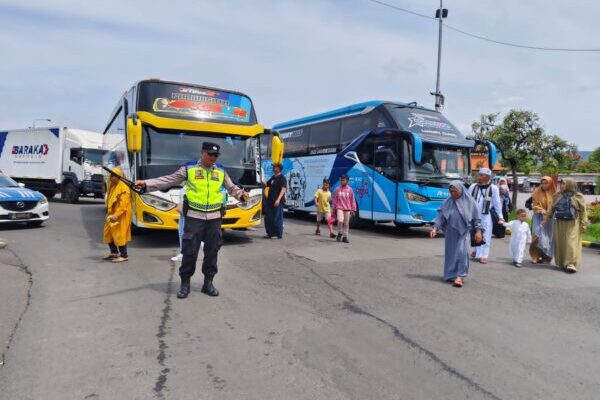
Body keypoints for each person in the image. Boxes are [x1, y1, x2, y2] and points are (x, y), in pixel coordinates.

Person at [135, 142, 249, 299]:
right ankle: (185, 284)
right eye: (210, 154)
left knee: (212, 252)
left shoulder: (221, 170)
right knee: (189, 252)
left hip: (214, 219)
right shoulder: (189, 169)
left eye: (216, 155)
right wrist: (147, 184)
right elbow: (169, 180)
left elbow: (231, 188)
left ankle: (208, 283)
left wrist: (240, 194)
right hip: (194, 218)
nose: (213, 158)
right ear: (202, 153)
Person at [429, 180, 483, 288]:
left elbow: (476, 218)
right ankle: (450, 275)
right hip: (451, 231)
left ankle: (460, 276)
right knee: (451, 253)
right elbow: (441, 216)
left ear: (461, 190)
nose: (453, 194)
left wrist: (478, 231)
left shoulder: (470, 201)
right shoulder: (447, 202)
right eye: (451, 191)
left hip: (464, 231)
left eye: (455, 191)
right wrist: (435, 228)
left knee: (462, 252)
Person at [546, 178, 588, 273]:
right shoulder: (557, 195)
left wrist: (584, 223)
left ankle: (571, 263)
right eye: (561, 184)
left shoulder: (578, 196)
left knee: (570, 243)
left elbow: (583, 211)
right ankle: (562, 263)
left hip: (573, 223)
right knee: (561, 242)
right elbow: (551, 208)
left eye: (564, 184)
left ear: (570, 185)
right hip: (559, 223)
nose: (561, 186)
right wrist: (547, 219)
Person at [468, 168, 504, 264]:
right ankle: (476, 250)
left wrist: (500, 216)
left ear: (487, 177)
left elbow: (497, 203)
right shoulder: (473, 186)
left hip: (486, 215)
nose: (479, 177)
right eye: (479, 175)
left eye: (481, 175)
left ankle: (484, 255)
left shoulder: (494, 188)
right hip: (474, 214)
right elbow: (467, 199)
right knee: (474, 232)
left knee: (486, 234)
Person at [103, 167, 132, 263]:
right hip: (111, 214)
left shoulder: (123, 187)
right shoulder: (112, 185)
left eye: (114, 176)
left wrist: (116, 215)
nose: (111, 177)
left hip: (121, 215)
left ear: (119, 177)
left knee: (120, 234)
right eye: (111, 175)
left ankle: (124, 255)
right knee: (108, 233)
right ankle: (114, 253)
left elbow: (124, 205)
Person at [529, 176, 556, 264]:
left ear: (551, 183)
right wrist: (541, 210)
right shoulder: (536, 192)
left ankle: (546, 258)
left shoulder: (555, 193)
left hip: (550, 218)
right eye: (542, 183)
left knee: (549, 238)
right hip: (538, 216)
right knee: (537, 236)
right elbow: (534, 204)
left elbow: (556, 205)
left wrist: (549, 212)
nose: (543, 185)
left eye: (546, 183)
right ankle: (535, 256)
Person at [263, 163, 287, 239]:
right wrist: (259, 178)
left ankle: (278, 234)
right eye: (273, 167)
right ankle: (269, 233)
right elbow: (266, 184)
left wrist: (278, 199)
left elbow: (283, 189)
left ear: (278, 169)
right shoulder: (273, 177)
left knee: (277, 218)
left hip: (278, 202)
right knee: (268, 217)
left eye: (274, 167)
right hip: (270, 201)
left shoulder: (282, 178)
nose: (273, 168)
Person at [332, 174, 356, 243]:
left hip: (347, 209)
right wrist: (334, 208)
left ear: (347, 181)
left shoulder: (350, 190)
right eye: (341, 180)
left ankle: (345, 237)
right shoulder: (337, 189)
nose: (342, 181)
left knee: (346, 223)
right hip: (339, 208)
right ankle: (340, 233)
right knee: (340, 220)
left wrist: (353, 209)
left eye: (343, 180)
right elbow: (335, 199)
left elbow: (352, 199)